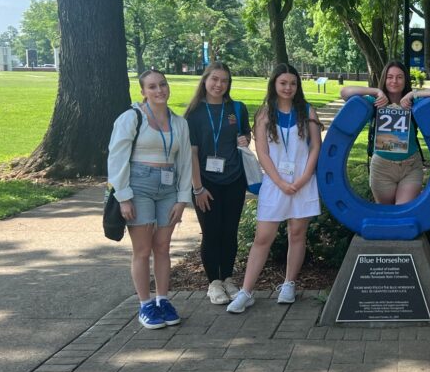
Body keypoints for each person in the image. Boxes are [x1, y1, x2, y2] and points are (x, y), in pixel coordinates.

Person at [227, 64, 322, 313]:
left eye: (292, 83)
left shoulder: (308, 111)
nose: (288, 88)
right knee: (263, 238)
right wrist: (280, 182)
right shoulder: (265, 113)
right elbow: (263, 152)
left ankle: (289, 284)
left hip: (303, 181)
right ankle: (246, 291)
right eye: (283, 83)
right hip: (275, 183)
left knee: (297, 234)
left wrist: (302, 179)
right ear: (274, 85)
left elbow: (315, 148)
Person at [107, 69, 193, 329]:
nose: (160, 91)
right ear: (143, 92)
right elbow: (117, 156)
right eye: (153, 87)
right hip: (139, 186)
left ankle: (163, 299)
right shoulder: (132, 118)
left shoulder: (179, 122)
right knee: (143, 249)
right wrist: (123, 196)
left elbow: (185, 160)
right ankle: (145, 304)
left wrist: (182, 198)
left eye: (163, 85)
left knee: (163, 247)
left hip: (168, 187)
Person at [185, 63, 252, 305]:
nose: (218, 85)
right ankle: (213, 282)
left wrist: (245, 138)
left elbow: (245, 135)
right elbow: (192, 153)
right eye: (214, 79)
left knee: (229, 232)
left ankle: (228, 279)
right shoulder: (194, 113)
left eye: (224, 81)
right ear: (205, 80)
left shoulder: (237, 108)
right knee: (211, 233)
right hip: (206, 183)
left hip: (234, 179)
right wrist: (198, 188)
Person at [340, 61, 430, 204]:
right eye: (390, 77)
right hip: (382, 167)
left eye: (399, 77)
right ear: (384, 79)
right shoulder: (375, 101)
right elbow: (344, 93)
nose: (394, 81)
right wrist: (376, 91)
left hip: (410, 166)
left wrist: (412, 93)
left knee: (402, 212)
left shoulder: (414, 101)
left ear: (405, 80)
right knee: (386, 215)